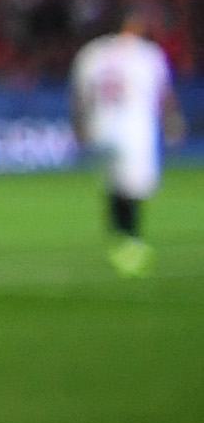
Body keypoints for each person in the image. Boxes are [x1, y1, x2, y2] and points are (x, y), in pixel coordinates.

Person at [72, 14, 176, 274]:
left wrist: (81, 127)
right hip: (134, 127)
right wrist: (172, 122)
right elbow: (163, 94)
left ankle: (119, 239)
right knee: (133, 186)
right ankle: (129, 241)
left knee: (115, 183)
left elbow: (79, 95)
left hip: (102, 125)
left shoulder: (92, 53)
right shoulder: (147, 54)